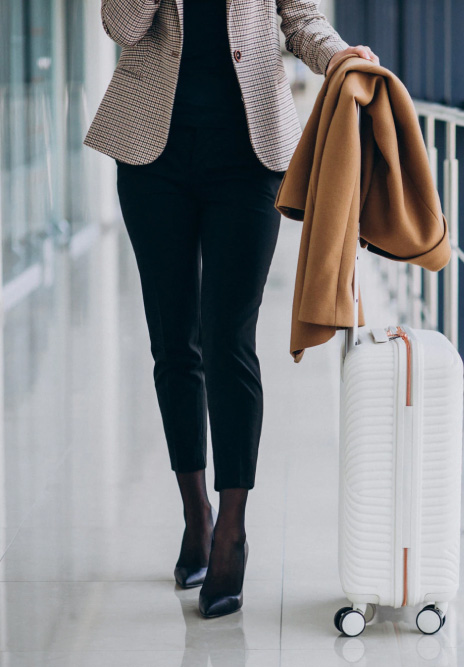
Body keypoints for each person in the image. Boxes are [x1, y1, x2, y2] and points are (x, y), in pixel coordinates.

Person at [83, 0, 378, 618]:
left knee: (229, 339)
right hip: (151, 156)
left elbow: (300, 22)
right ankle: (196, 512)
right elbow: (120, 25)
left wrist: (340, 60)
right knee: (174, 341)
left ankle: (232, 529)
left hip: (249, 157)